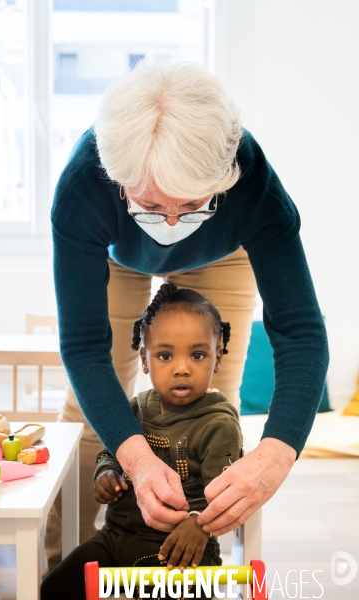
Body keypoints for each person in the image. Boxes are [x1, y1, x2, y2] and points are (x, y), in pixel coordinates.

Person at [45, 59, 329, 568]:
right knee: (87, 418)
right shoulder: (83, 185)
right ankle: (58, 562)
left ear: (223, 180)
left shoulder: (254, 183)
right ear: (118, 179)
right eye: (152, 205)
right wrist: (134, 457)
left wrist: (274, 455)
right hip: (116, 254)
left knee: (213, 405)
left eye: (193, 205)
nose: (172, 223)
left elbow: (302, 332)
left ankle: (201, 560)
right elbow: (84, 348)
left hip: (224, 253)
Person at [41, 284, 243, 599]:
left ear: (218, 359)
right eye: (165, 355)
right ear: (144, 360)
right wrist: (106, 474)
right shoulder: (134, 408)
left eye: (198, 354)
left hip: (182, 551)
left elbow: (226, 491)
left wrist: (199, 525)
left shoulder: (220, 424)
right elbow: (112, 453)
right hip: (116, 538)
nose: (181, 368)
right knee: (55, 587)